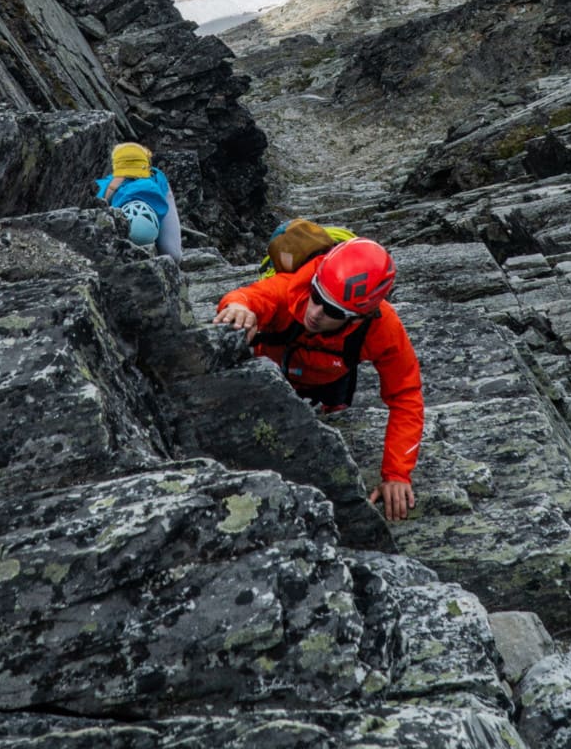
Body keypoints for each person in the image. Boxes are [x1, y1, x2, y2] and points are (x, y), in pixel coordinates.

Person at [214, 237, 423, 522]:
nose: (314, 312)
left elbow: (406, 396)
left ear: (359, 318)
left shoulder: (382, 329)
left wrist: (397, 473)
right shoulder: (294, 287)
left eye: (333, 311)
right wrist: (239, 308)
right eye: (316, 295)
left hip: (330, 383)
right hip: (270, 378)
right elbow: (251, 297)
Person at [95, 141, 183, 264]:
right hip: (145, 185)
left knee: (173, 255)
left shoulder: (105, 189)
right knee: (173, 255)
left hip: (139, 188)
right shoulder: (106, 190)